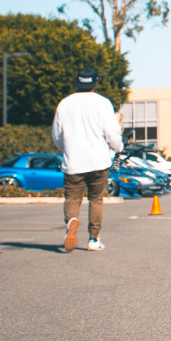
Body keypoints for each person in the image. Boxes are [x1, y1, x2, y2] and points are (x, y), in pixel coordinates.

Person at [52, 67, 123, 252]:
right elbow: (112, 133)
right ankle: (93, 239)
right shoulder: (103, 103)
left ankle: (72, 221)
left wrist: (65, 149)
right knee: (96, 199)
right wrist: (119, 147)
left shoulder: (64, 104)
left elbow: (57, 135)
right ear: (95, 83)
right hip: (99, 161)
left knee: (73, 198)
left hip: (73, 162)